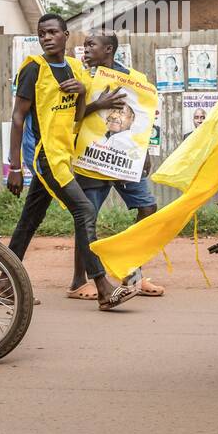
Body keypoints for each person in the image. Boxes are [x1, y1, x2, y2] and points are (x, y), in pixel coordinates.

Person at [7, 14, 136, 311]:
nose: (47, 37)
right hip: (47, 156)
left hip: (65, 154)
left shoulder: (75, 68)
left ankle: (4, 283)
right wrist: (15, 166)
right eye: (42, 33)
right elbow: (17, 117)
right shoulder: (33, 69)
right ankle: (103, 286)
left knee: (29, 221)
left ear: (66, 35)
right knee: (84, 209)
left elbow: (78, 117)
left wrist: (81, 95)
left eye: (53, 32)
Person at [71, 33, 165, 299]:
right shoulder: (84, 78)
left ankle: (132, 271)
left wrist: (144, 152)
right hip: (93, 158)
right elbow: (72, 116)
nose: (86, 49)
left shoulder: (133, 80)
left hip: (124, 159)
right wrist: (98, 104)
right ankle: (79, 281)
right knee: (86, 219)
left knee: (148, 207)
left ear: (109, 49)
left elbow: (143, 118)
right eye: (85, 45)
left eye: (92, 45)